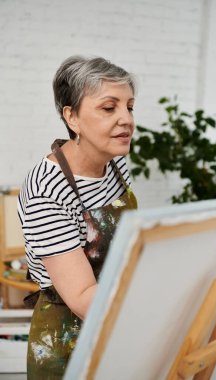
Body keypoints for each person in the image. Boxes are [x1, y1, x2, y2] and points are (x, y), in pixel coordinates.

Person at [17, 55, 138, 379]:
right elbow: (83, 298)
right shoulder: (47, 188)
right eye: (109, 108)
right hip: (69, 340)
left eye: (130, 106)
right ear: (72, 117)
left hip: (115, 319)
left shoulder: (115, 163)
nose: (126, 119)